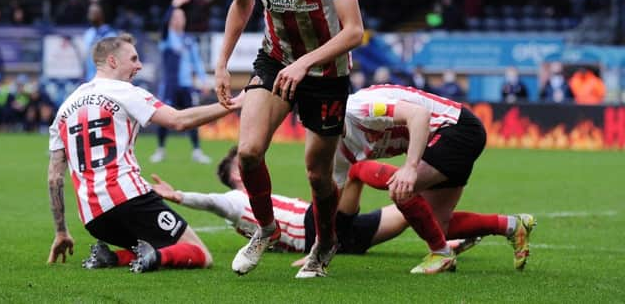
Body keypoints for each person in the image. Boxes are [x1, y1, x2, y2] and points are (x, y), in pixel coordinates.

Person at [214, 0, 364, 278]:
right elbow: (241, 4)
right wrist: (222, 64)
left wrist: (306, 65)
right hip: (276, 59)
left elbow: (353, 32)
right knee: (247, 151)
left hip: (327, 72)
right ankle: (265, 229)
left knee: (317, 174)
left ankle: (325, 242)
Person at [47, 34, 243, 273]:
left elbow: (54, 178)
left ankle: (110, 257)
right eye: (133, 59)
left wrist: (61, 232)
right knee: (199, 253)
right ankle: (154, 259)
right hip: (129, 199)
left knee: (150, 242)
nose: (139, 66)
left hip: (93, 218)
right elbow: (178, 120)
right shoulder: (125, 91)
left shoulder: (65, 108)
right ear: (112, 61)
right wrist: (233, 104)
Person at [334, 84, 536, 274]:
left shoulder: (361, 108)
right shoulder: (338, 142)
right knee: (440, 227)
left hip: (456, 130)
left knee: (401, 189)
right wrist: (321, 251)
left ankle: (441, 254)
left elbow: (419, 115)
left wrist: (410, 168)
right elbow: (335, 187)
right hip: (451, 138)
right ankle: (512, 225)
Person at [150, 146, 479, 260]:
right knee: (362, 177)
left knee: (409, 207)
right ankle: (448, 229)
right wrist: (178, 196)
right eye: (244, 162)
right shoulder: (235, 200)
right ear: (237, 174)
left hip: (322, 229)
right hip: (318, 229)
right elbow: (210, 202)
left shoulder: (252, 207)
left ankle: (447, 236)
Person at [150, 0, 212, 164]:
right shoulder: (167, 39)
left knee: (192, 118)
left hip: (186, 86)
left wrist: (203, 80)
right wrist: (174, 5)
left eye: (181, 16)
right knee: (164, 118)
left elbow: (197, 62)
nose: (178, 19)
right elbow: (163, 25)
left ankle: (197, 151)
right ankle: (160, 150)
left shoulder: (189, 41)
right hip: (170, 86)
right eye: (175, 17)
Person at [82, 3, 116, 81]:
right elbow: (86, 57)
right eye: (89, 13)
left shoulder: (110, 35)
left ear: (101, 14)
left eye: (93, 12)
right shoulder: (88, 33)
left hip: (106, 80)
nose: (90, 15)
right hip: (89, 79)